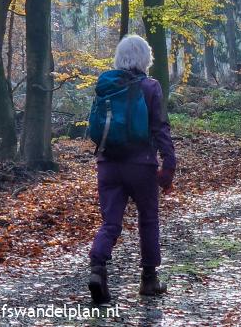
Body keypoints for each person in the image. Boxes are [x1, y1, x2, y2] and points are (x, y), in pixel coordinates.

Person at [88, 34, 176, 304]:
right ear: (144, 58)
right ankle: (149, 280)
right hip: (141, 166)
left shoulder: (106, 87)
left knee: (111, 222)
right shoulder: (150, 87)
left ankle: (97, 269)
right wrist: (169, 165)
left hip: (108, 165)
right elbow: (160, 127)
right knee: (148, 219)